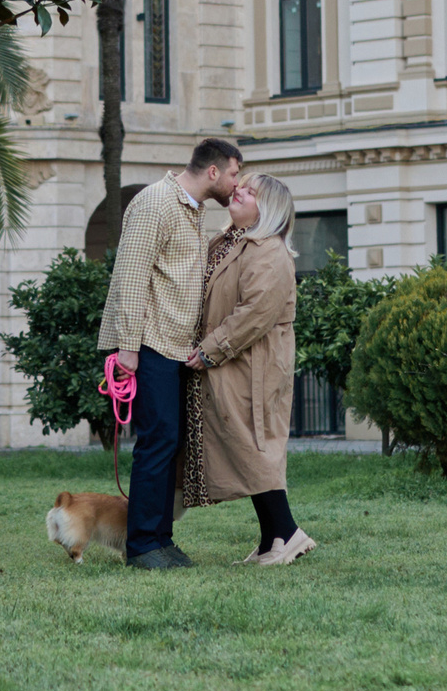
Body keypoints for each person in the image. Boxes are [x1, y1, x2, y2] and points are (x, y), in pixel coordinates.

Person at [96, 137, 242, 569]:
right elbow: (130, 275)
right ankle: (141, 546)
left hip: (179, 348)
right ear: (213, 171)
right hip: (150, 343)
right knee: (156, 442)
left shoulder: (193, 210)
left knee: (169, 443)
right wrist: (128, 348)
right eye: (234, 173)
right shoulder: (154, 202)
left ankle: (161, 540)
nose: (236, 184)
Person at [181, 174, 315, 565]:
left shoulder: (268, 252)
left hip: (251, 367)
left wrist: (209, 350)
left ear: (268, 209)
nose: (237, 190)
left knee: (254, 447)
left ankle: (288, 532)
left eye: (250, 191)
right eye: (241, 185)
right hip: (235, 364)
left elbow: (254, 313)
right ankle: (272, 538)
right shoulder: (231, 242)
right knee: (248, 449)